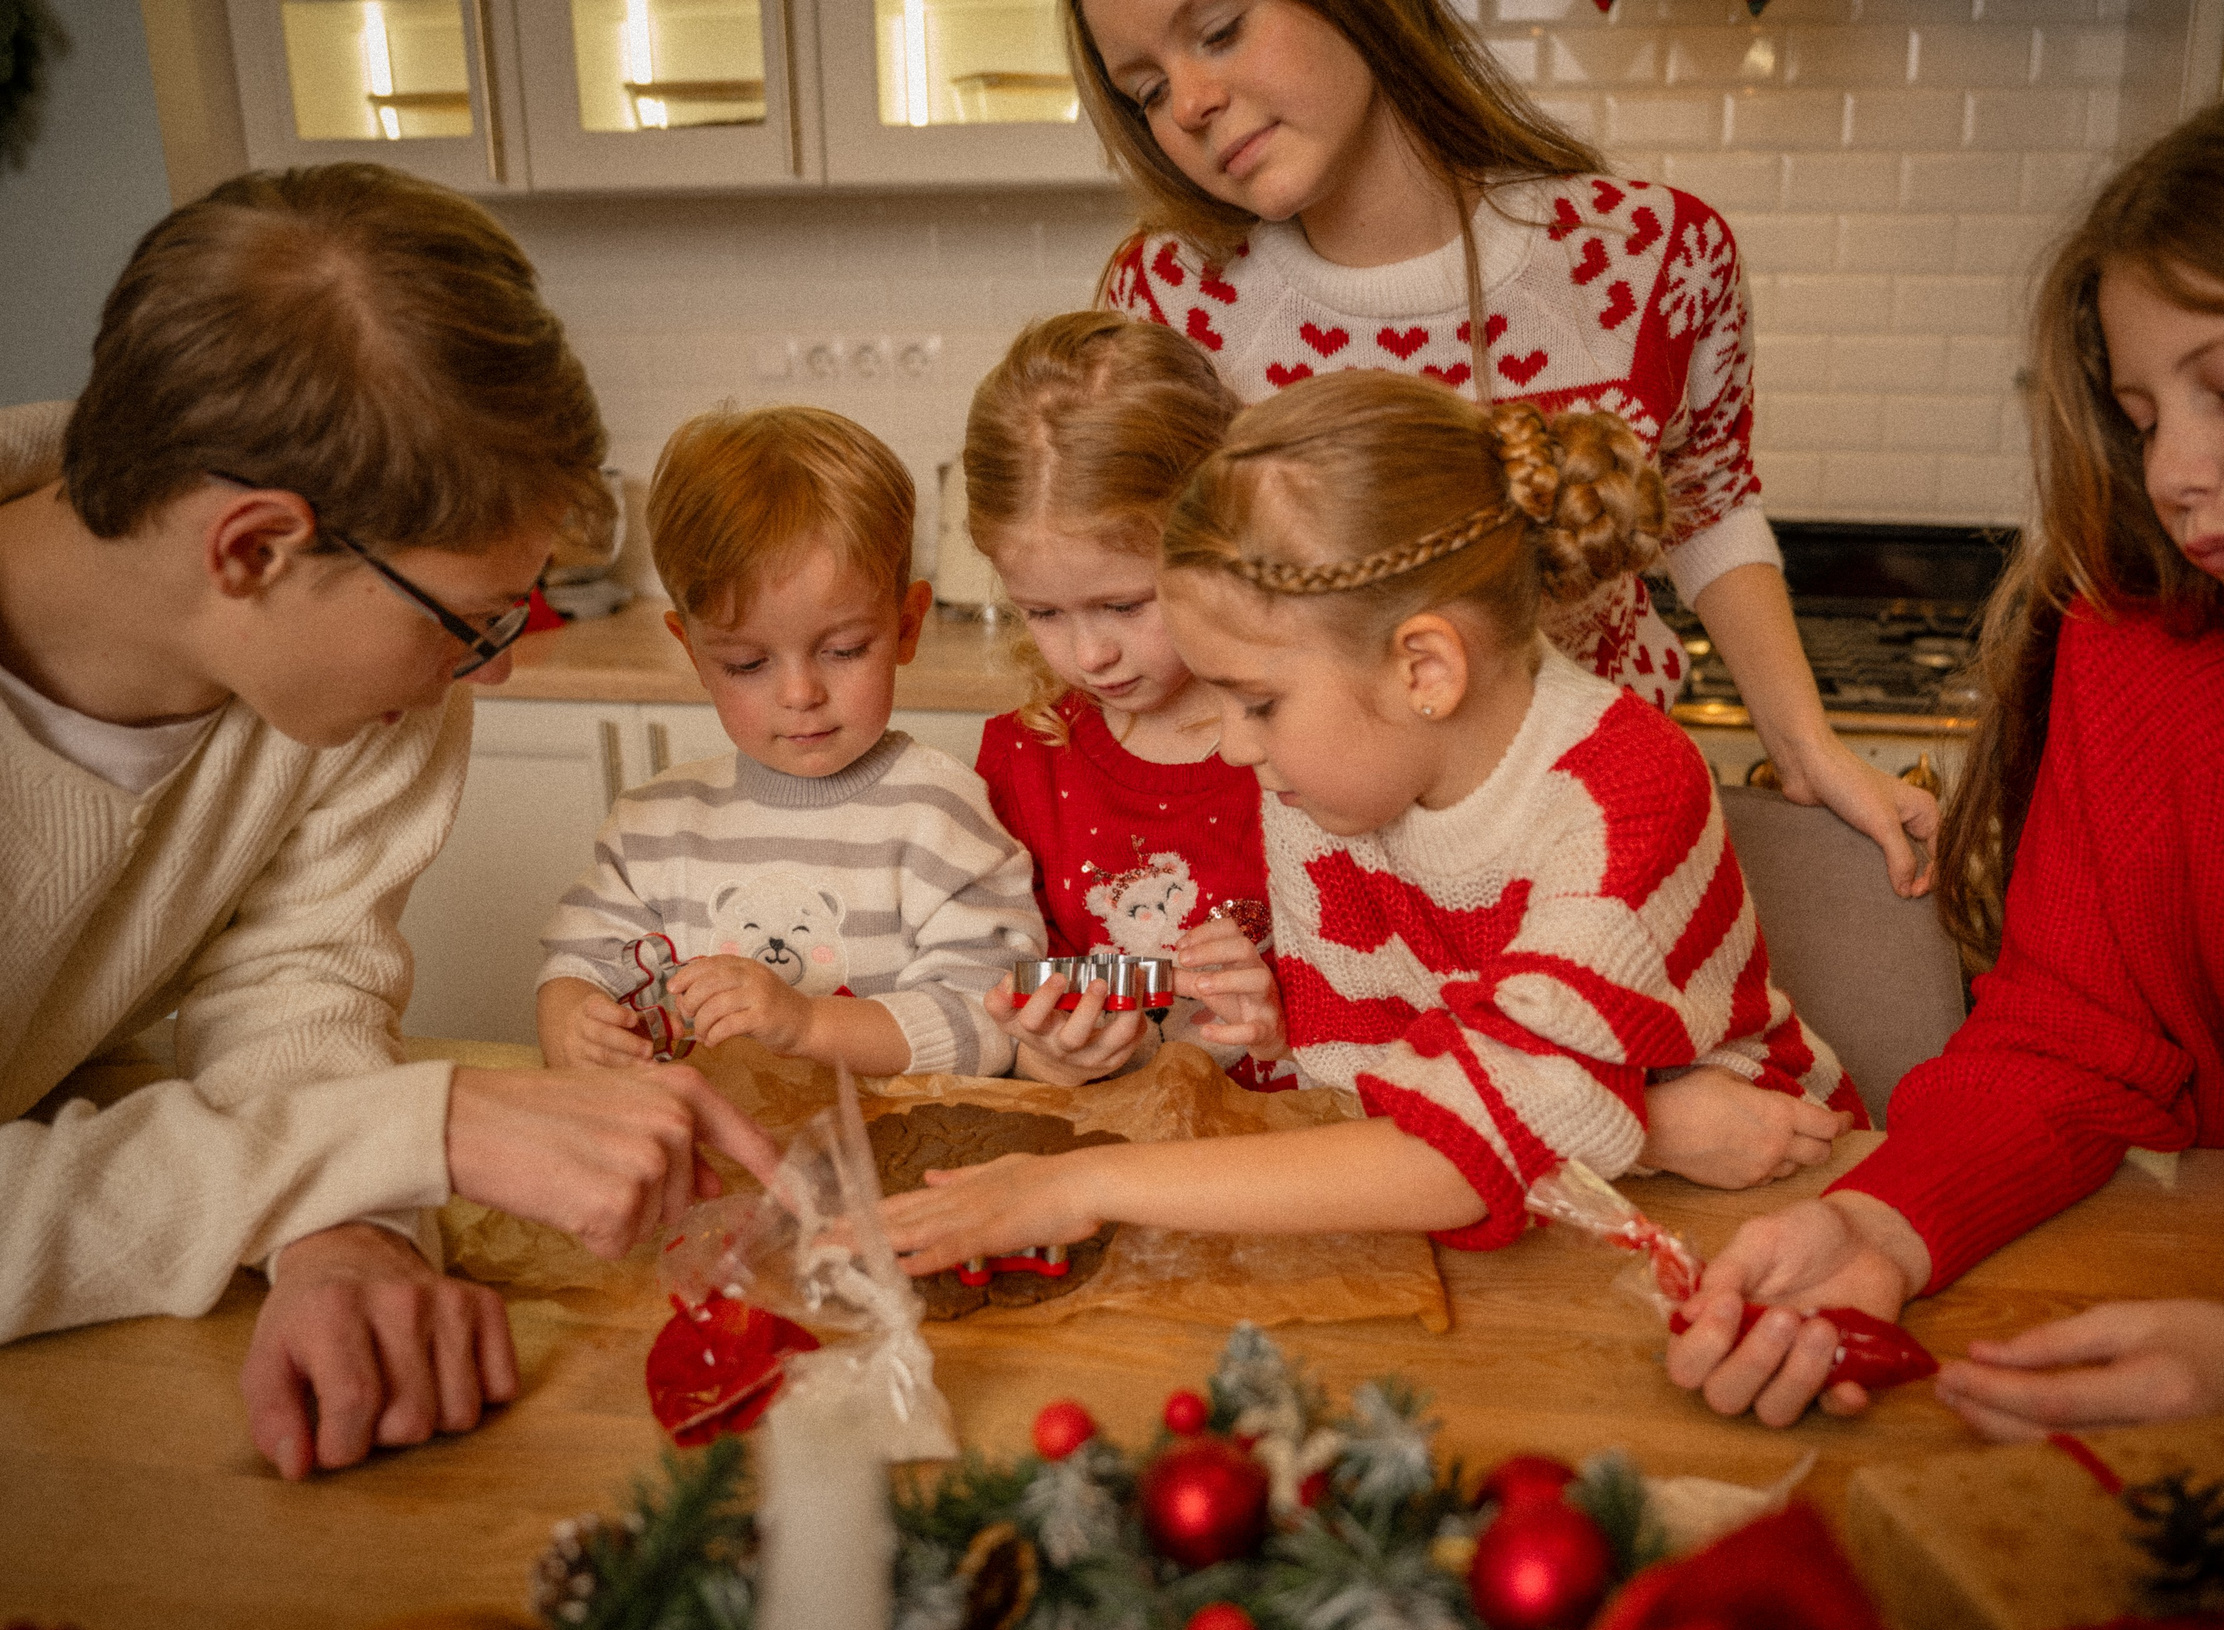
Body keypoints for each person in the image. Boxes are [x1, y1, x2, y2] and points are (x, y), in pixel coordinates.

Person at [1666, 35, 2224, 1454]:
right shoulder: (2139, 646)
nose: (2171, 476)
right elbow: (2073, 1039)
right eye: (2143, 417)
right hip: (2198, 1315)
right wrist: (1881, 1219)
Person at [0, 163, 781, 1482]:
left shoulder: (348, 695)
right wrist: (413, 1126)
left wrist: (344, 1236)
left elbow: (294, 993)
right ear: (253, 549)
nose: (495, 669)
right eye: (471, 620)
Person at [878, 372, 1864, 1275]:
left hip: (1765, 1196)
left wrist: (1071, 1186)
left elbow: (1460, 1153)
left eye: (1256, 703)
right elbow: (1369, 1078)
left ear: (1423, 671)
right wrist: (1636, 1125)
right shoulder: (1328, 788)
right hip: (1554, 1194)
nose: (1230, 750)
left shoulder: (1622, 791)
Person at [1069, 0, 1939, 897]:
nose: (1191, 104)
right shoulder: (1168, 299)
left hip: (1601, 847)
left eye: (1219, 32)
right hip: (1328, 879)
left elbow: (1707, 501)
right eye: (1148, 90)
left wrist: (1807, 746)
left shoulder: (1650, 256)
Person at [537, 405, 1042, 1079]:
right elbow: (577, 966)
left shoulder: (941, 813)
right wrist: (574, 1022)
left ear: (908, 624)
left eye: (843, 650)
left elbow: (990, 1023)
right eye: (747, 664)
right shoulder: (651, 827)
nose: (800, 693)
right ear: (692, 652)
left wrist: (807, 1023)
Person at [962, 311, 1290, 1090]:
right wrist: (1043, 1054)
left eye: (1124, 604)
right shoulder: (1020, 759)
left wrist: (1278, 1023)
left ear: (1219, 539)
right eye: (1043, 612)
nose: (1090, 654)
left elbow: (1385, 1014)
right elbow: (1006, 1005)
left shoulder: (1299, 749)